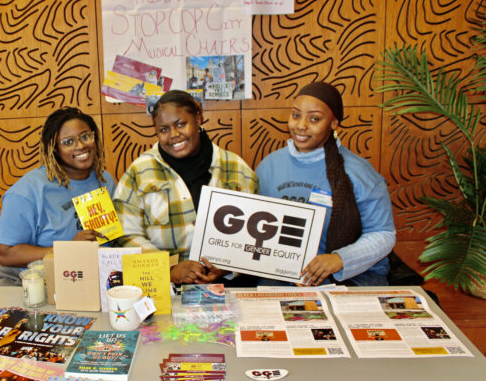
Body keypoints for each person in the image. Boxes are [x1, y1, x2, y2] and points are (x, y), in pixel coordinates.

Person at [255, 82, 395, 286]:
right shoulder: (268, 166)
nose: (301, 125)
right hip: (282, 274)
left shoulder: (360, 172)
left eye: (314, 119)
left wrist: (340, 259)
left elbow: (384, 234)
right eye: (295, 115)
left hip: (351, 275)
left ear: (333, 123)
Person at [113, 90, 258, 284]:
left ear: (198, 117)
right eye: (163, 129)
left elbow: (256, 240)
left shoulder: (238, 170)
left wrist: (229, 266)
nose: (174, 135)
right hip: (165, 290)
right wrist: (169, 269)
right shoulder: (139, 172)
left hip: (228, 286)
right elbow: (125, 236)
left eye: (181, 124)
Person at [0, 107, 116, 285]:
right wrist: (67, 250)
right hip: (31, 281)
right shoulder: (26, 191)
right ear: (54, 149)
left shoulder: (105, 180)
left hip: (88, 279)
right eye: (68, 142)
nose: (80, 145)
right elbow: (6, 254)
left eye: (85, 136)